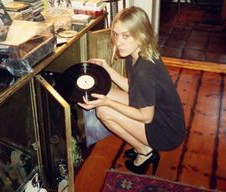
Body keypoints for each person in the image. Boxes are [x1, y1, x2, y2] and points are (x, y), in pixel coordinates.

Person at [78, 6, 186, 175]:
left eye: (126, 36)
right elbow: (134, 89)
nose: (118, 41)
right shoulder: (137, 54)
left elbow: (145, 116)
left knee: (104, 111)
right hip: (161, 115)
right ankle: (143, 147)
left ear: (141, 34)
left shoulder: (145, 71)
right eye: (116, 34)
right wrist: (107, 69)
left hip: (166, 131)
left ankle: (144, 150)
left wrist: (108, 103)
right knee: (107, 94)